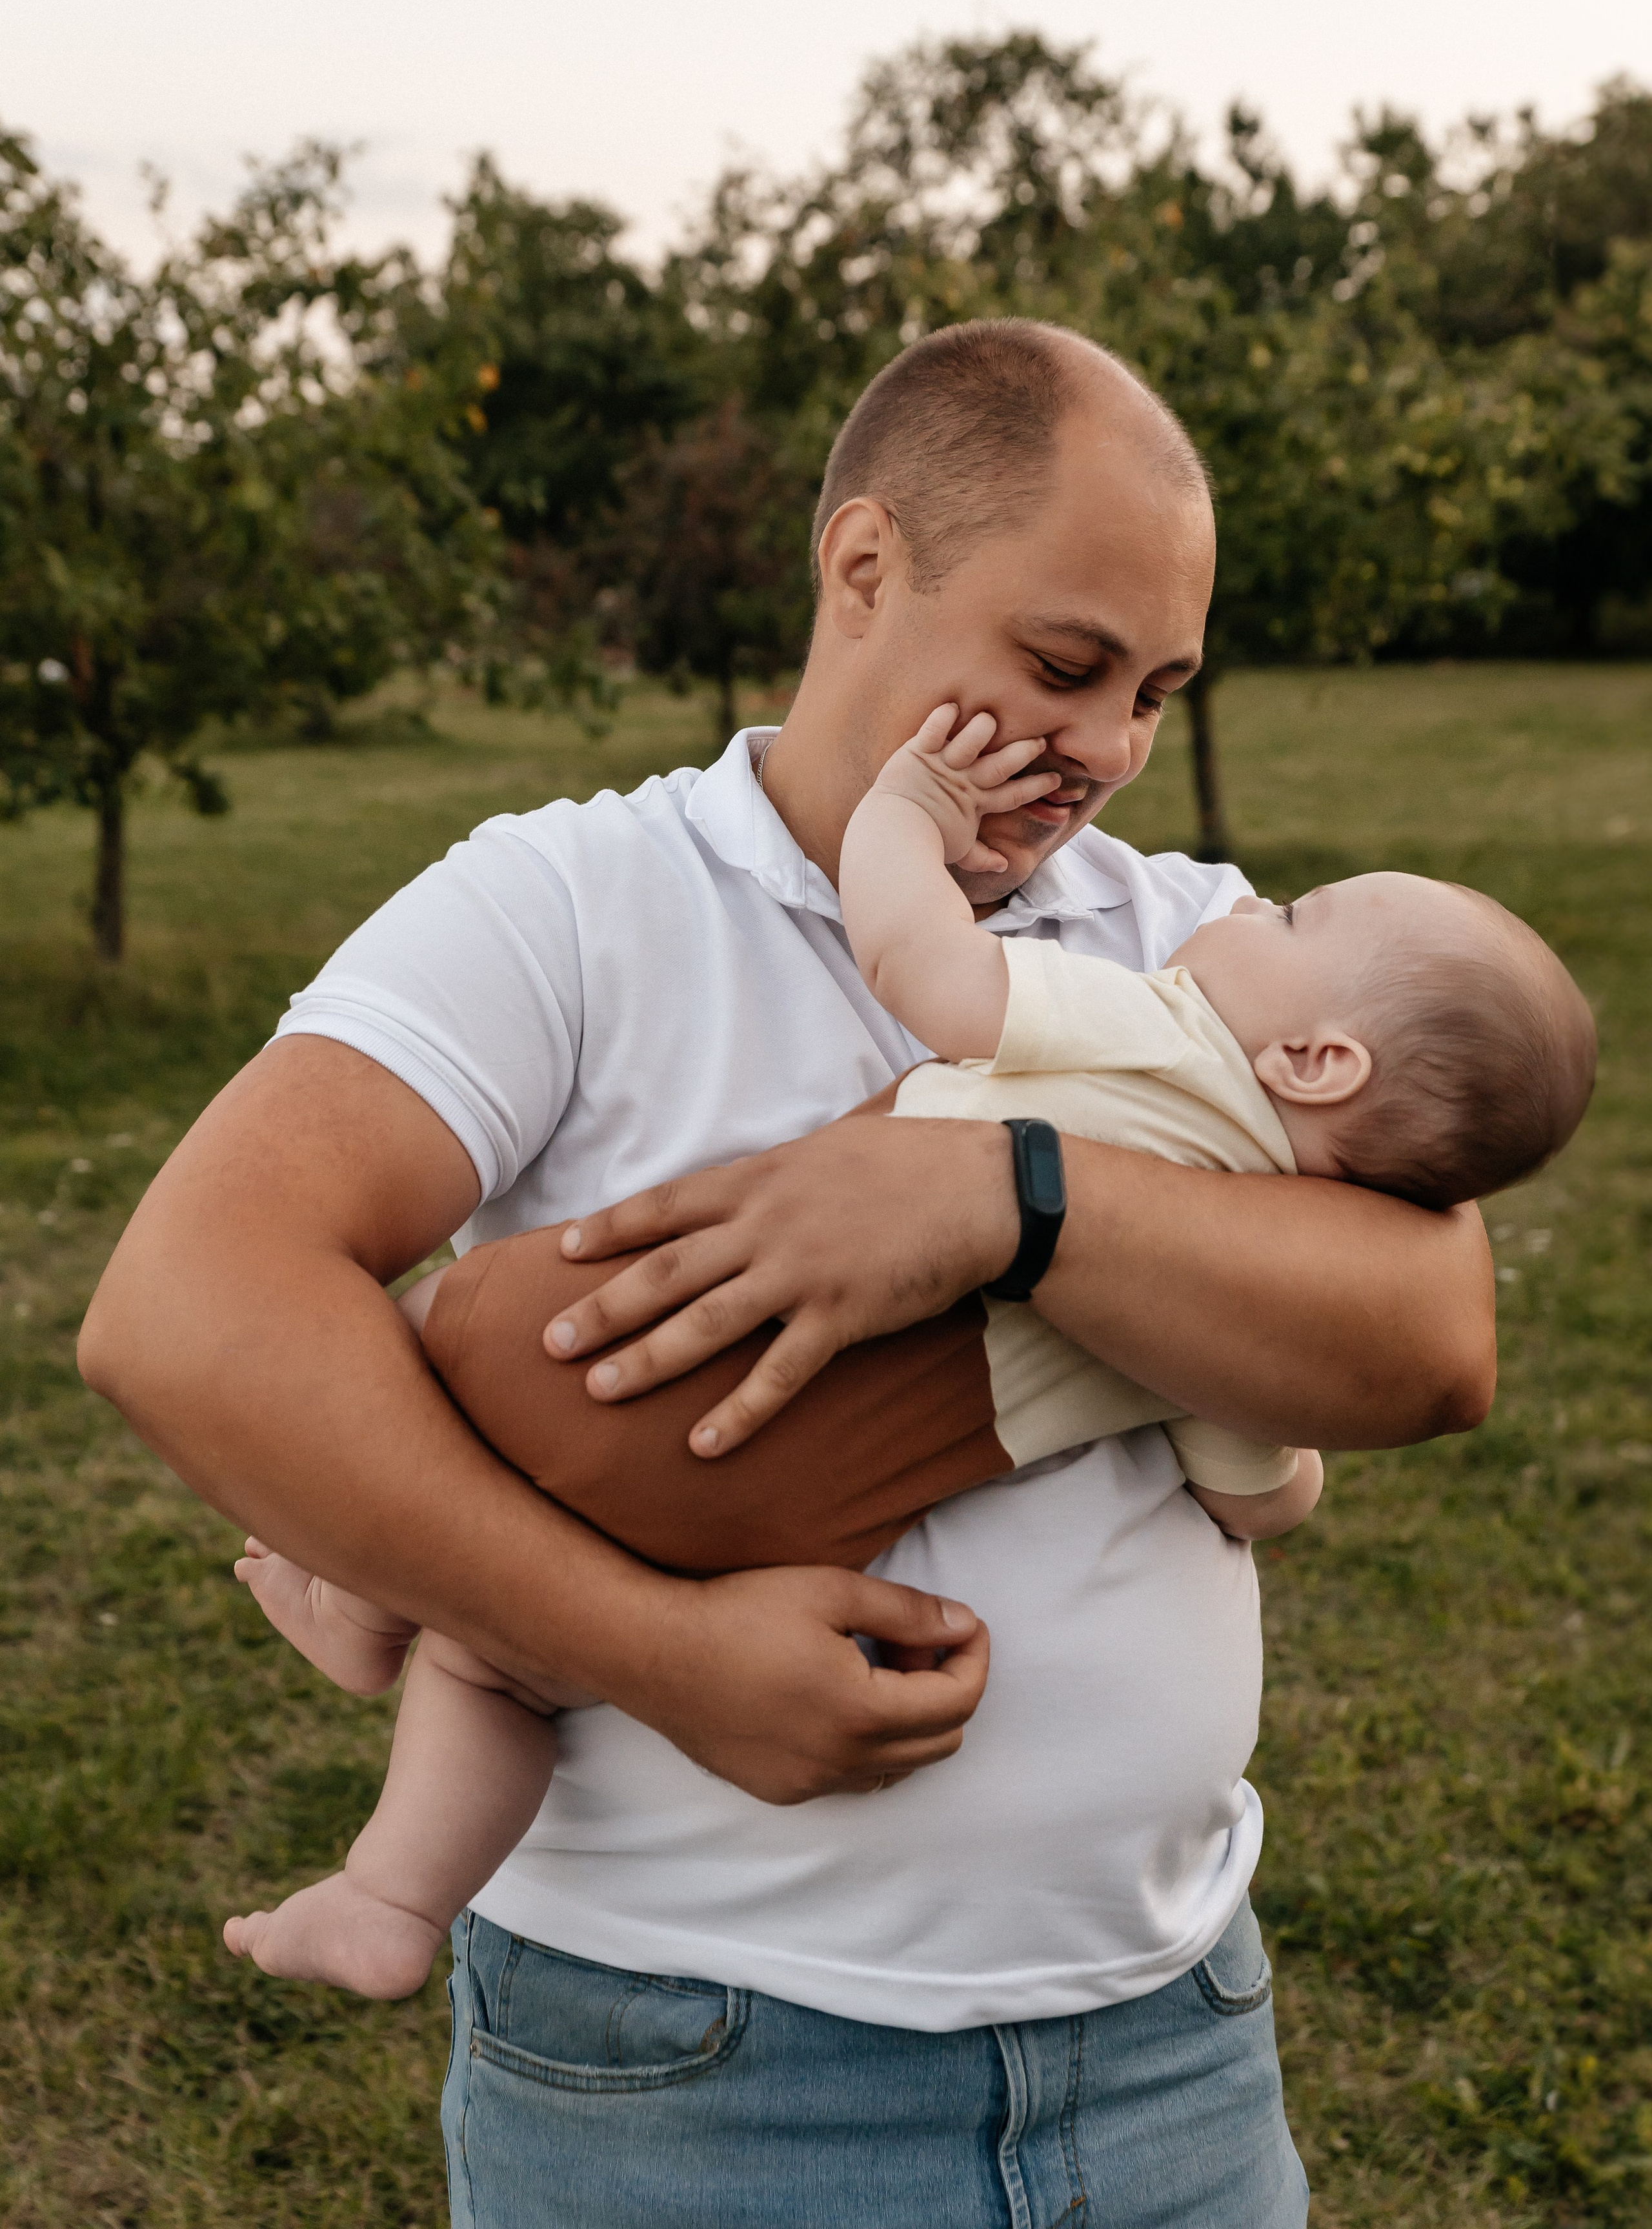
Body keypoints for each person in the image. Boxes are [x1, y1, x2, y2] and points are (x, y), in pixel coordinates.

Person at [80, 321, 1499, 2229]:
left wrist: (1007, 1204)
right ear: (864, 565)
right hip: (699, 2091)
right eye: (1061, 665)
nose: (1106, 748)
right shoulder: (572, 902)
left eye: (1156, 691)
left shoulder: (1194, 944)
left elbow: (1433, 1337)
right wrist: (657, 1660)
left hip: (1172, 2058)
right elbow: (185, 1308)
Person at [216, 703, 1592, 2006]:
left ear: (1315, 1063)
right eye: (1065, 669)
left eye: (1290, 917)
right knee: (500, 1672)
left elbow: (920, 962)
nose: (1244, 905)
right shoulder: (1249, 1270)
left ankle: (361, 1602)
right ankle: (392, 1899)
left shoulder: (1161, 1024)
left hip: (649, 1345)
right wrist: (1290, 1469)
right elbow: (1252, 1495)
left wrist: (904, 816)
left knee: (430, 1346)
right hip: (793, 1521)